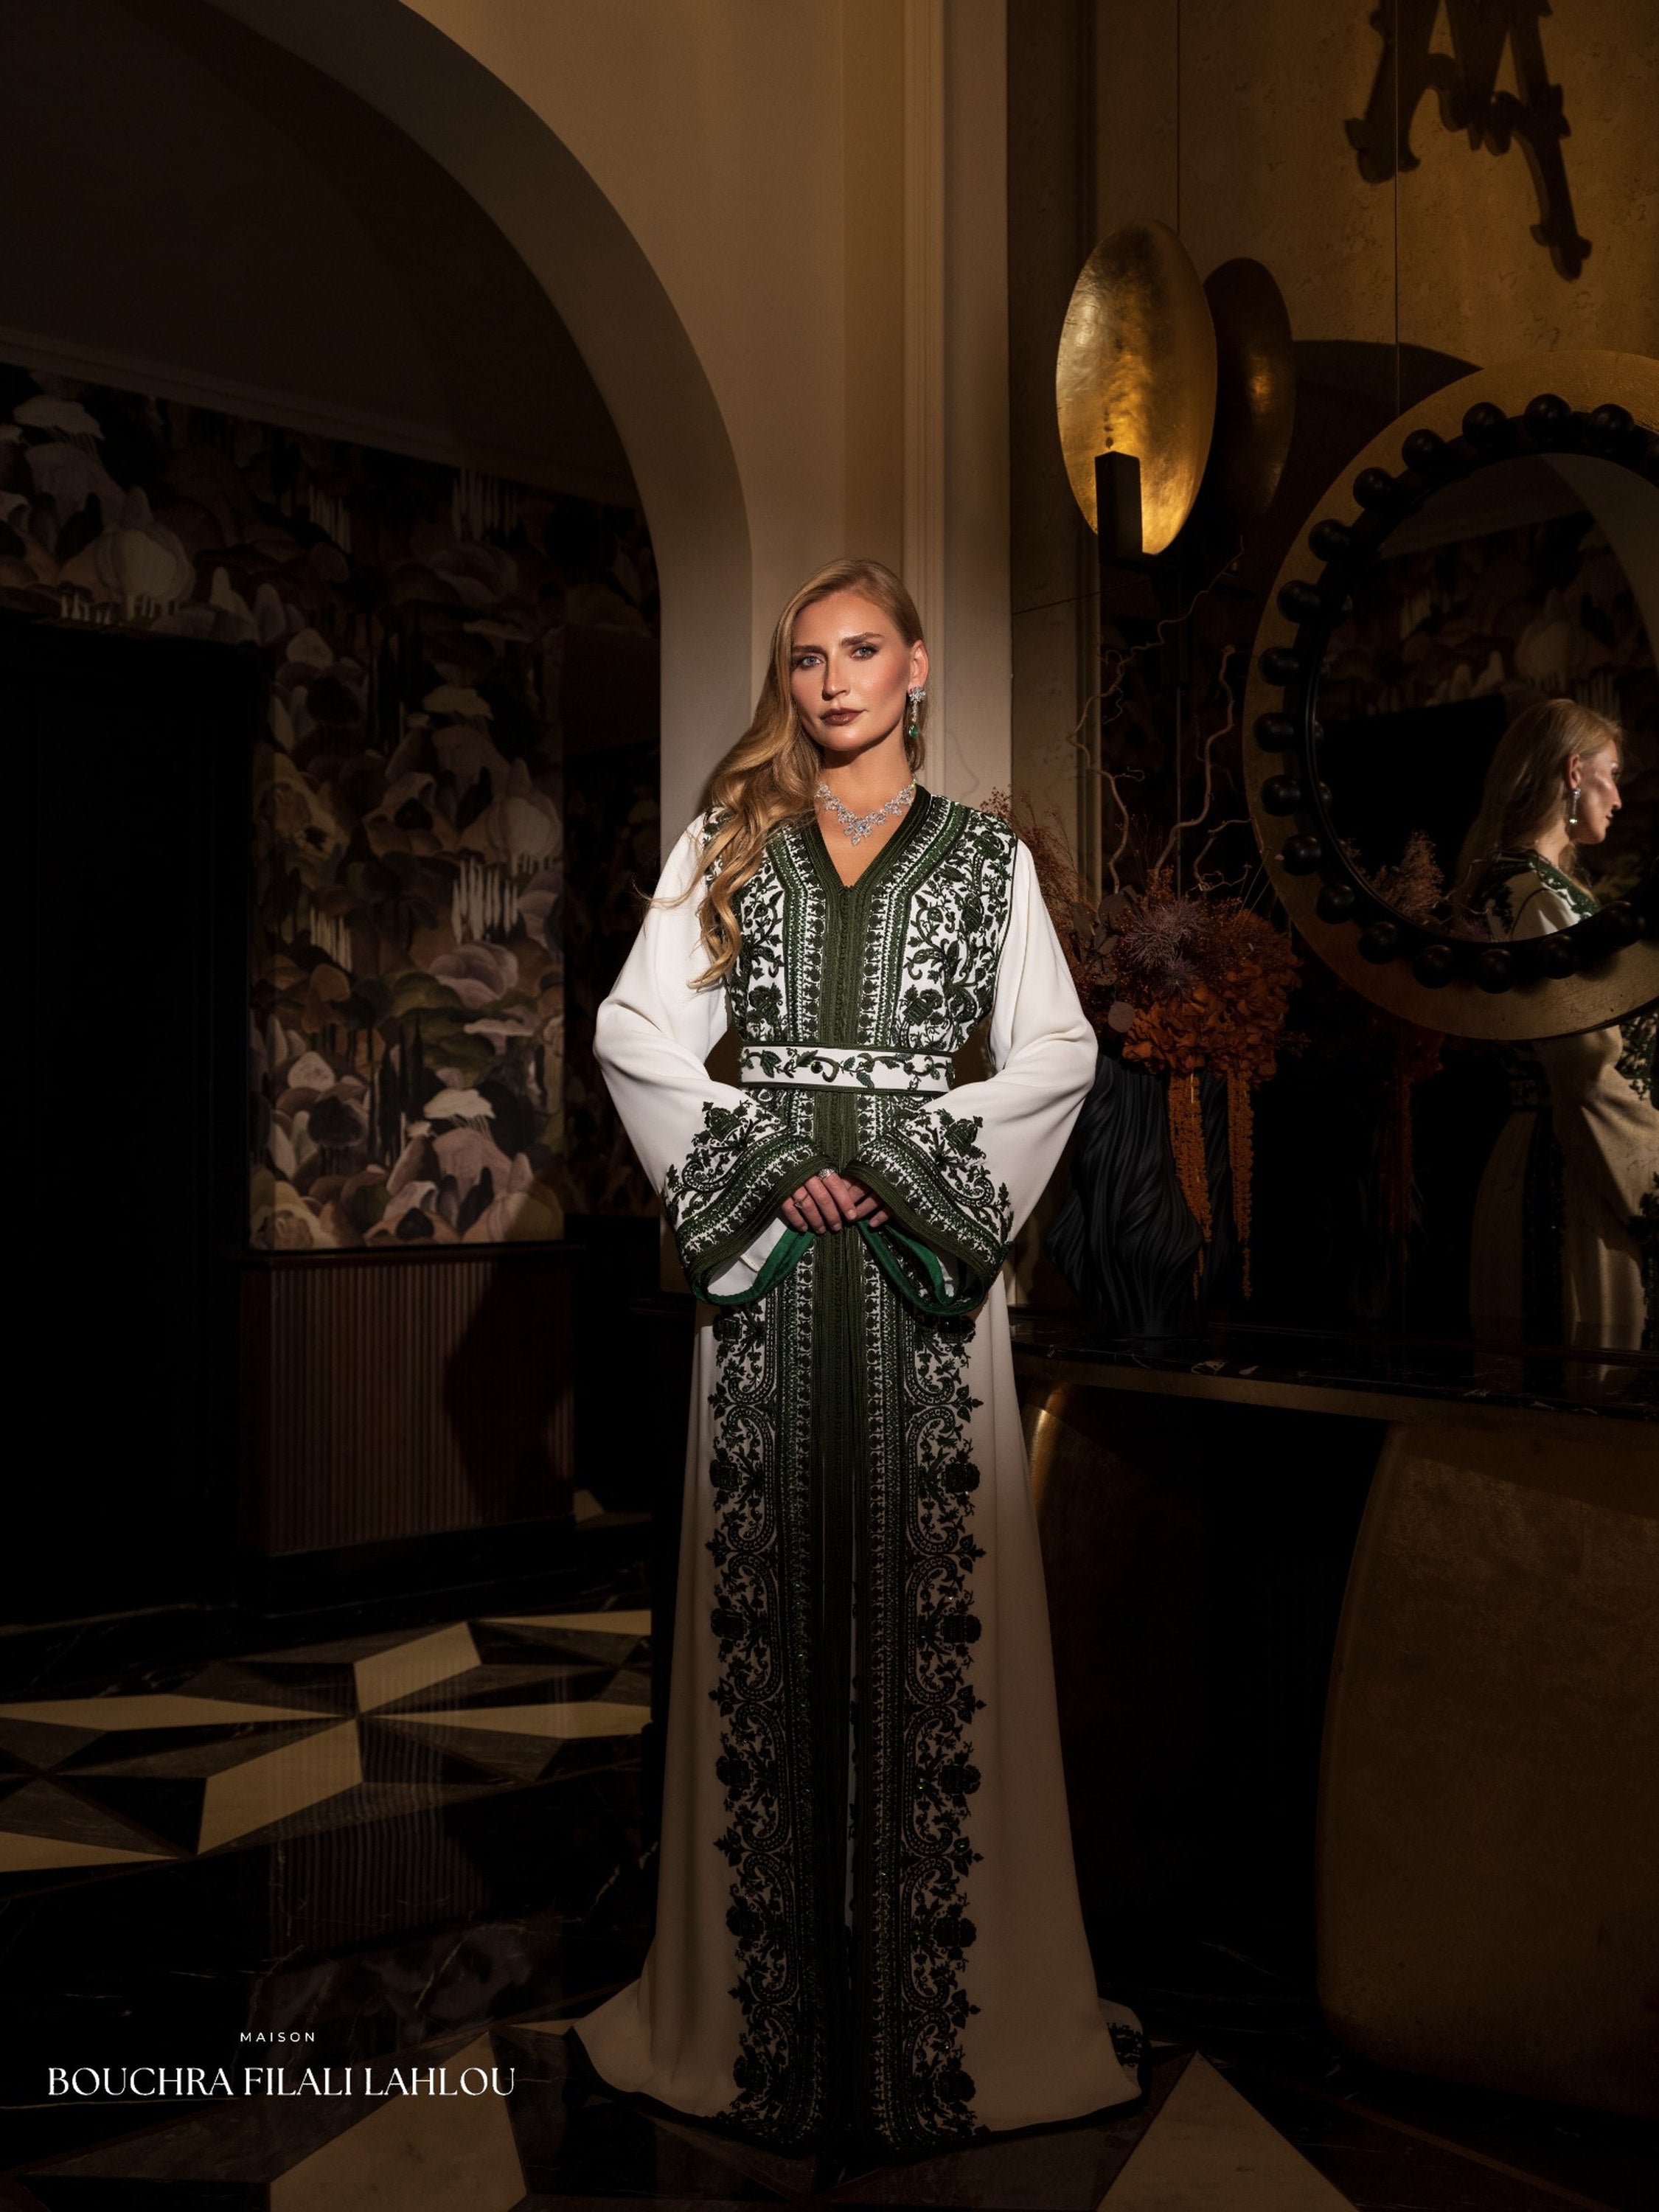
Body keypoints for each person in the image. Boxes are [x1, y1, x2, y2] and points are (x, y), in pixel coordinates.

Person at [575, 558, 1142, 2158]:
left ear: (917, 668)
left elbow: (1059, 1049)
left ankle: (950, 2032)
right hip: (766, 1277)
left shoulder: (985, 862)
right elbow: (633, 1030)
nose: (832, 681)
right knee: (762, 1596)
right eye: (809, 657)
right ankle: (754, 2029)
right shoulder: (728, 841)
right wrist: (770, 1159)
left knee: (931, 1605)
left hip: (919, 1278)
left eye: (862, 650)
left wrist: (899, 1162)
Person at [1459, 698, 1658, 1349]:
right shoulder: (1530, 894)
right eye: (1612, 775)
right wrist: (1651, 1183)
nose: (1619, 799)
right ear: (1575, 771)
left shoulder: (1532, 887)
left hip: (1571, 1153)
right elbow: (1583, 1064)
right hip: (1577, 1168)